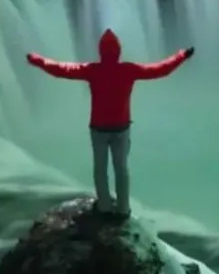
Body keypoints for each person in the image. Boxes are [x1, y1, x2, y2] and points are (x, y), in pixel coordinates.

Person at [27, 29, 194, 221]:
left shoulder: (92, 70)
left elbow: (61, 69)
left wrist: (37, 60)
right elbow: (160, 70)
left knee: (100, 168)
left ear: (100, 51)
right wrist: (182, 55)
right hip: (121, 128)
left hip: (98, 128)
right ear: (118, 51)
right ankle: (123, 208)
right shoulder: (128, 70)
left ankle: (104, 206)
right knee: (121, 168)